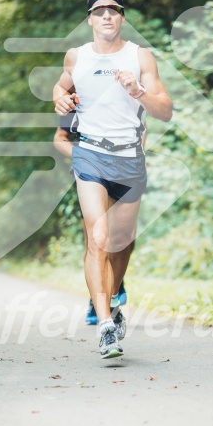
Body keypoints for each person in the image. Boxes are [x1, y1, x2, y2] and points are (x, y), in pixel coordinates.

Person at [53, 0, 172, 359]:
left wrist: (138, 91)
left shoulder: (141, 57)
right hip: (90, 154)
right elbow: (63, 84)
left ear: (121, 18)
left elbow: (165, 110)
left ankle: (113, 296)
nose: (107, 16)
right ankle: (106, 325)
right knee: (98, 236)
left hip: (130, 157)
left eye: (114, 10)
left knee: (121, 240)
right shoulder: (77, 56)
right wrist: (59, 93)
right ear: (89, 18)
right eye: (99, 11)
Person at [54, 107, 146, 324]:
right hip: (91, 171)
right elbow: (59, 138)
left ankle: (115, 286)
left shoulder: (125, 91)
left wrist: (133, 155)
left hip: (126, 168)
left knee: (124, 238)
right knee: (96, 239)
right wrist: (83, 155)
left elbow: (142, 129)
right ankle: (97, 304)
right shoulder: (77, 98)